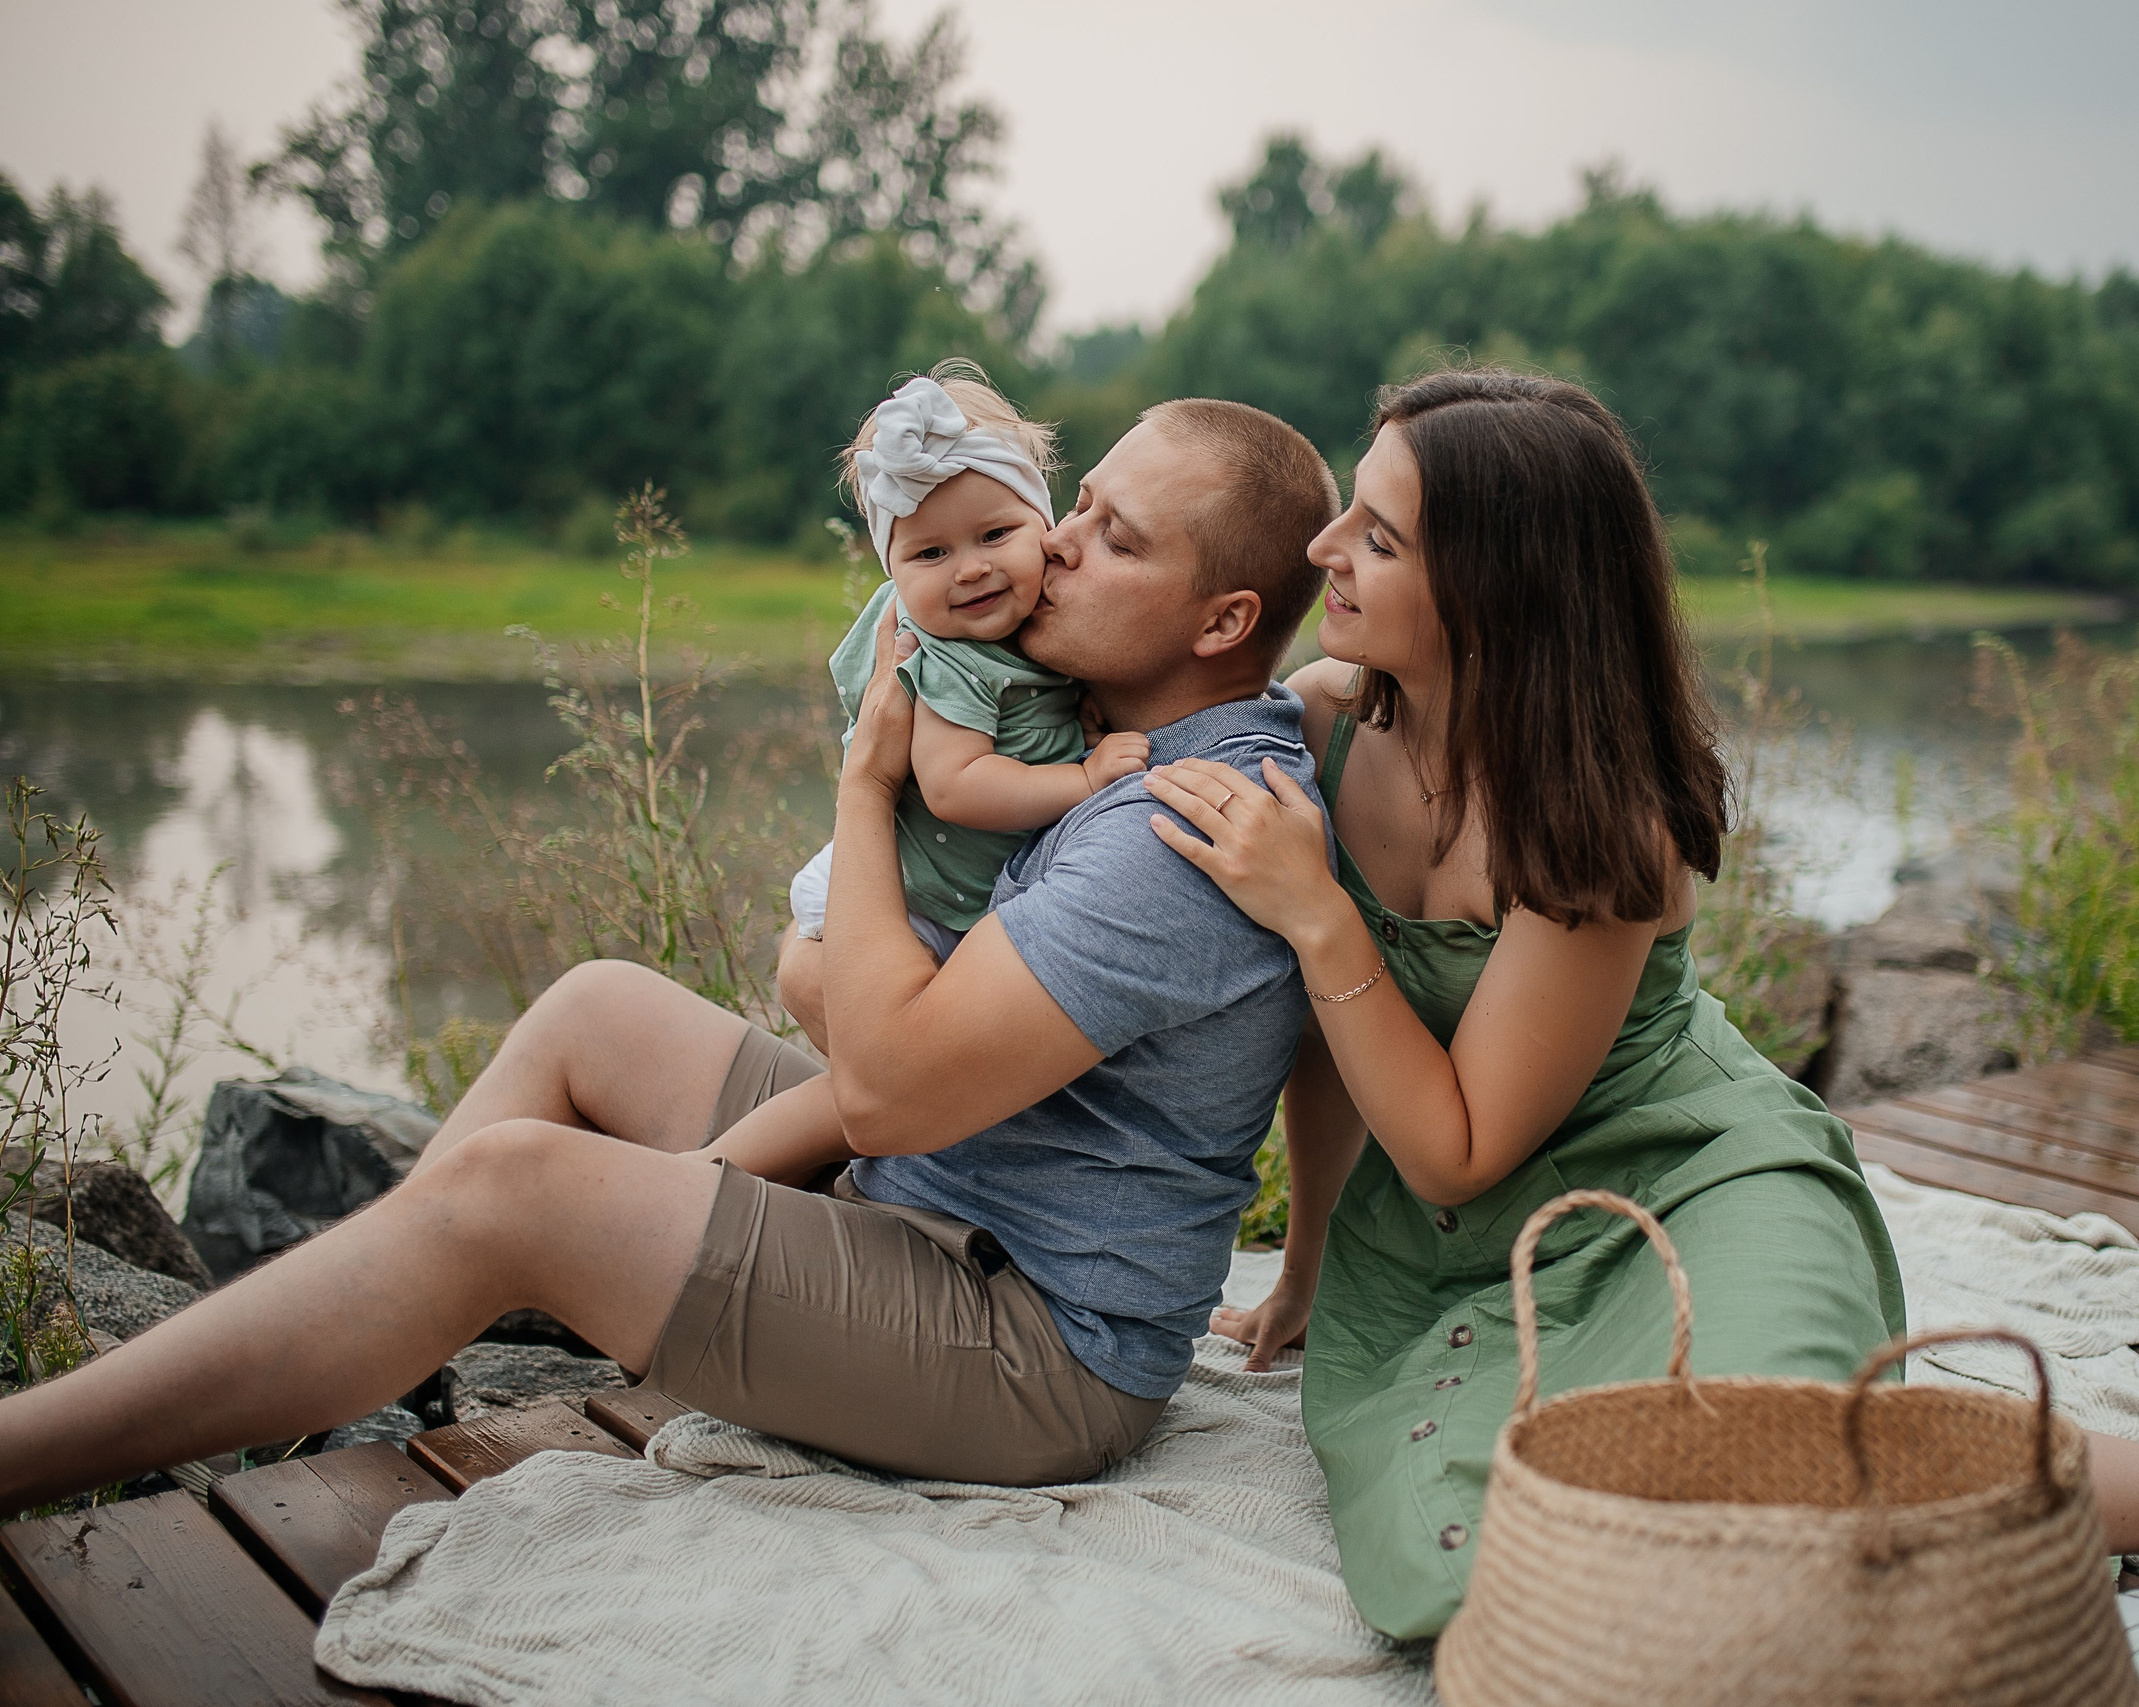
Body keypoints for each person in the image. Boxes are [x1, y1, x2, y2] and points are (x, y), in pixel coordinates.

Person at [1149, 368, 2139, 1707]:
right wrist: (1316, 1264)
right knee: (1553, 1553)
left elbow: (1452, 1141)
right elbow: (1329, 1051)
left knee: (1774, 1445)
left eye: (1378, 533)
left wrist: (1320, 917)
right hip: (1458, 1244)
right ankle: (2084, 1569)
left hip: (1684, 1177)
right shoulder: (1328, 728)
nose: (1325, 544)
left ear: (1498, 589)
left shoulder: (1604, 814)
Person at [0, 397, 1342, 1511]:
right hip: (935, 1186)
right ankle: (364, 1340)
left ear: (1220, 622)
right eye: (1080, 500)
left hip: (1031, 1344)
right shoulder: (1111, 729)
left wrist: (868, 786)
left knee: (513, 1187)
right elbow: (833, 991)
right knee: (598, 1009)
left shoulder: (1176, 830)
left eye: (1114, 537)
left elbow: (874, 1084)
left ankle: (33, 1451)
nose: (1057, 544)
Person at [784, 362, 1152, 961]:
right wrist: (1083, 778)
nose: (971, 568)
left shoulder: (1040, 624)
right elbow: (957, 786)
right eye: (931, 552)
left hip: (980, 888)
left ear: (1045, 526)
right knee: (899, 1036)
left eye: (994, 535)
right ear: (894, 575)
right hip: (922, 901)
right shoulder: (948, 659)